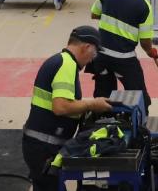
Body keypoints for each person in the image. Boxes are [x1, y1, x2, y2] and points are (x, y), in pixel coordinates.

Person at [22, 26, 114, 191]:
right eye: (94, 53)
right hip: (43, 147)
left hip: (39, 145)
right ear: (86, 46)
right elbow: (61, 107)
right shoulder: (66, 64)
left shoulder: (61, 61)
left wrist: (90, 104)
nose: (93, 59)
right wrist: (92, 104)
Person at [89, 0, 158, 109]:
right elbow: (145, 42)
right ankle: (141, 124)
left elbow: (94, 14)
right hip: (124, 60)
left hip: (100, 56)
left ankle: (101, 122)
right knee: (140, 96)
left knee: (103, 94)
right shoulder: (144, 6)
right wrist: (150, 51)